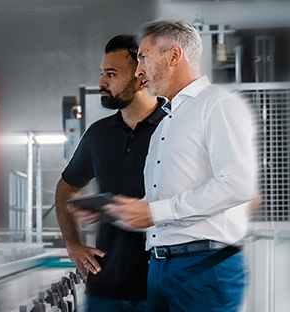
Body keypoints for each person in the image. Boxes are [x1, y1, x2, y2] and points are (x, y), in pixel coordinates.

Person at [105, 20, 256, 312]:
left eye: (144, 57)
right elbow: (164, 197)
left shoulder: (217, 105)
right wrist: (127, 211)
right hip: (161, 266)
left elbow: (237, 183)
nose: (138, 71)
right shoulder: (166, 124)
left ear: (174, 56)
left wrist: (154, 212)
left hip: (204, 268)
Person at [55, 35, 167, 312]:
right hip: (106, 290)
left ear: (141, 77)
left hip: (160, 290)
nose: (102, 83)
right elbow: (65, 188)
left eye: (111, 74)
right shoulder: (98, 135)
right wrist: (73, 244)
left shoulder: (173, 128)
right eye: (102, 73)